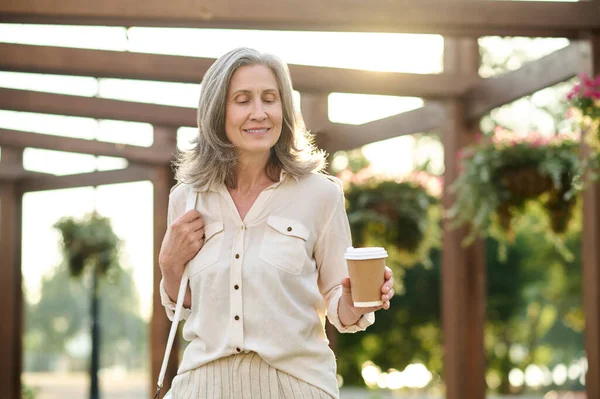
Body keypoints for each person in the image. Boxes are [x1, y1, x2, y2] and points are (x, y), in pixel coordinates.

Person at [158, 47, 395, 399]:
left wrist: (358, 301)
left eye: (270, 99)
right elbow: (186, 307)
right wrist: (169, 263)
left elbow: (338, 306)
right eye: (242, 100)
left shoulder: (320, 195)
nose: (259, 112)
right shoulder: (186, 198)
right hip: (202, 387)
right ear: (216, 110)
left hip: (294, 386)